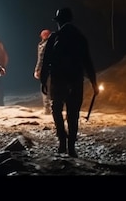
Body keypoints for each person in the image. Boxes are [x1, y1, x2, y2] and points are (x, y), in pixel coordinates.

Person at [39, 8, 98, 158]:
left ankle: (62, 141)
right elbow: (87, 62)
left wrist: (43, 80)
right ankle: (71, 147)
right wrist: (93, 82)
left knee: (56, 110)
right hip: (75, 81)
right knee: (73, 114)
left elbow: (46, 61)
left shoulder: (55, 37)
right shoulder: (80, 37)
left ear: (58, 21)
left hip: (58, 80)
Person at [34, 29, 52, 114]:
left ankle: (47, 109)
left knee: (45, 89)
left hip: (45, 70)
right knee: (52, 89)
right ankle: (53, 108)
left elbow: (41, 58)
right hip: (54, 69)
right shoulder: (55, 43)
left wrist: (37, 69)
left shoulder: (43, 45)